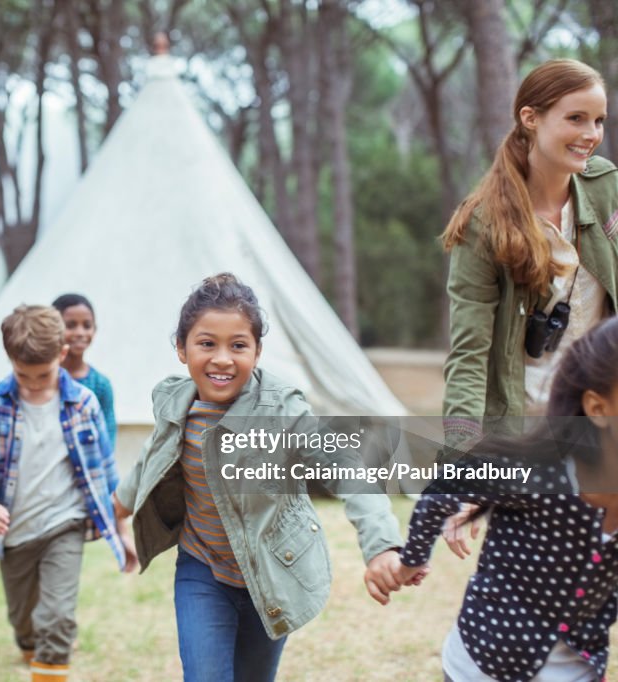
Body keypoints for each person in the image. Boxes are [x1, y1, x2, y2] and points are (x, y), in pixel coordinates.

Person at [112, 273, 408, 682]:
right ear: (181, 349)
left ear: (257, 351)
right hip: (202, 570)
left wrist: (381, 547)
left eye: (238, 345)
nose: (222, 359)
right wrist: (116, 509)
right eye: (206, 343)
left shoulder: (282, 412)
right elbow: (153, 458)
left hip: (271, 576)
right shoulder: (174, 403)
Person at [440, 58, 618, 559]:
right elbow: (470, 354)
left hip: (598, 412)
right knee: (527, 567)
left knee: (597, 570)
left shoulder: (605, 187)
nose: (591, 134)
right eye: (576, 118)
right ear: (530, 118)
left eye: (599, 120)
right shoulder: (484, 223)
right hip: (527, 421)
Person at [399, 316, 618, 682]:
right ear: (598, 409)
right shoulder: (540, 468)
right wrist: (412, 559)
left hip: (577, 668)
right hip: (484, 662)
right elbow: (443, 489)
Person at [0, 305, 136, 682]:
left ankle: (50, 669)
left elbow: (103, 469)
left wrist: (121, 530)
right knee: (25, 619)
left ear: (62, 355)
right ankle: (28, 645)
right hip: (14, 532)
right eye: (24, 375)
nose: (34, 383)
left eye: (44, 374)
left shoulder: (83, 403)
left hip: (64, 525)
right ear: (10, 360)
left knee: (57, 617)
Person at [51, 293, 116, 447]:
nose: (80, 333)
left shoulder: (101, 384)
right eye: (71, 325)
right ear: (52, 328)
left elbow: (107, 438)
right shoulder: (43, 378)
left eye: (87, 325)